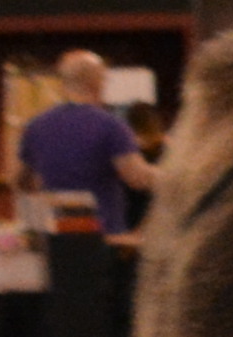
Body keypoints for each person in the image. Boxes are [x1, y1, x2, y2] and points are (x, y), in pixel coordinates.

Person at [13, 49, 146, 234]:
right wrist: (171, 177)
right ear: (97, 82)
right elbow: (137, 178)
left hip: (55, 236)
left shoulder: (36, 126)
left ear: (63, 82)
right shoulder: (111, 126)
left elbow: (20, 181)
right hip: (104, 237)